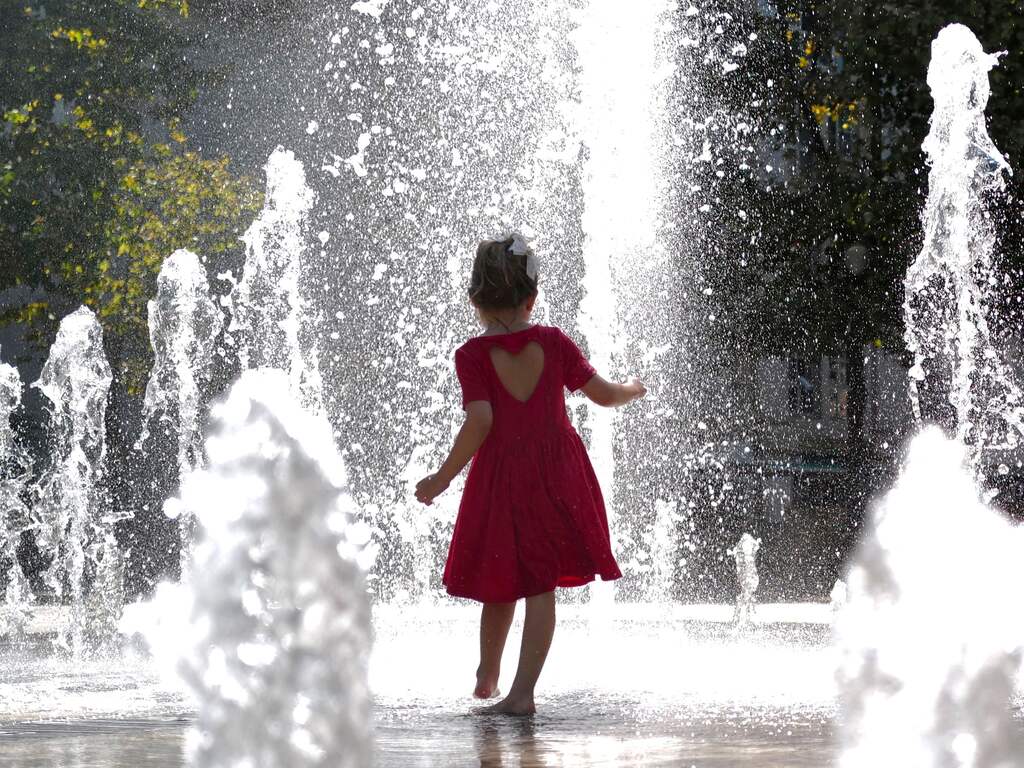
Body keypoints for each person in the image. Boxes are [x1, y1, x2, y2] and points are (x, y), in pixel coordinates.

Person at [414, 234, 646, 715]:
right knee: (541, 586)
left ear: (476, 301)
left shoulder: (472, 355)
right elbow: (604, 395)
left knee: (499, 578)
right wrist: (632, 388)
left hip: (500, 480)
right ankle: (519, 691)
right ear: (531, 298)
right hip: (556, 477)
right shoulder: (553, 342)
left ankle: (489, 675)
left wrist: (442, 477)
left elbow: (481, 420)